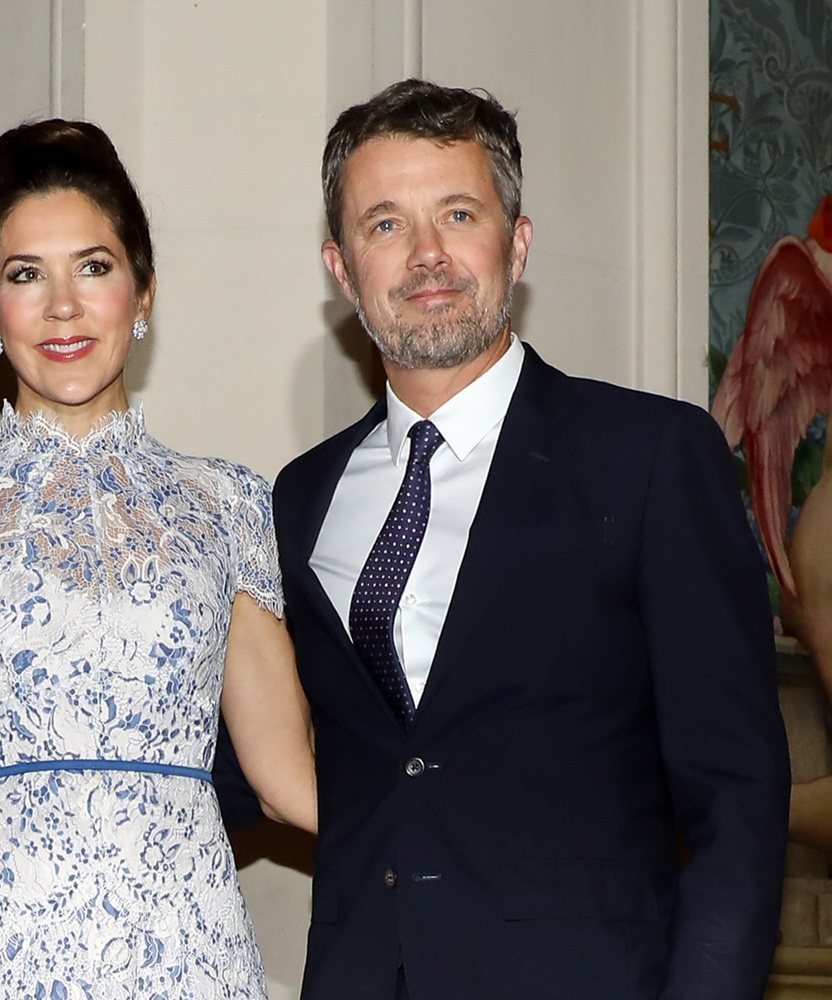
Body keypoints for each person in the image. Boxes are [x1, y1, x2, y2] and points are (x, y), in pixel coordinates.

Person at [284, 79, 788, 1000]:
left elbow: (738, 796)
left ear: (516, 244)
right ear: (340, 265)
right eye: (386, 224)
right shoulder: (301, 497)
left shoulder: (650, 457)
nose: (427, 255)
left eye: (459, 213)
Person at [0, 119, 318, 1000]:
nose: (63, 306)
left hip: (188, 957)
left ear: (143, 296)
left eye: (93, 267)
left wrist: (465, 827)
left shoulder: (230, 506)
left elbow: (288, 778)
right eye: (26, 276)